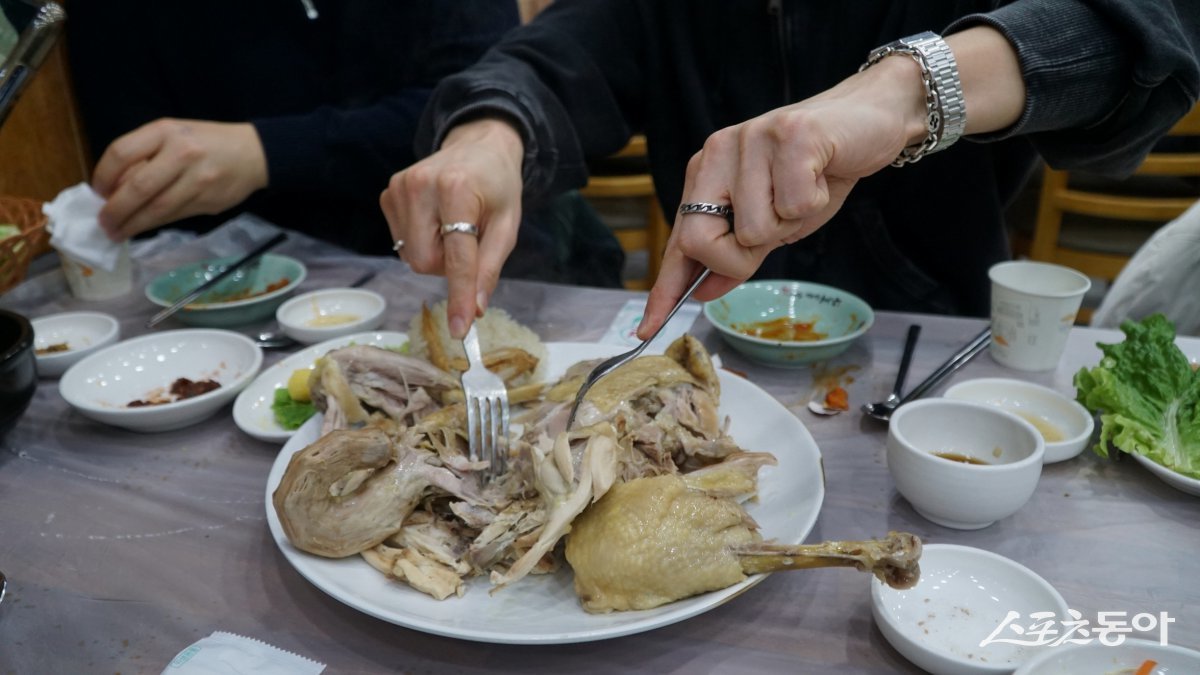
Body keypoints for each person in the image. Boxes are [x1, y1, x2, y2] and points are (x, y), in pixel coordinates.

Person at [379, 1, 1200, 340]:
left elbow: (1148, 37)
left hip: (926, 339)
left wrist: (905, 90)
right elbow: (551, 57)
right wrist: (490, 132)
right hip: (713, 333)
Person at [66, 1, 624, 287]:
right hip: (242, 288)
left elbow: (479, 89)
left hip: (479, 260)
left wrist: (266, 152)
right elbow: (130, 152)